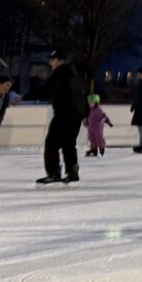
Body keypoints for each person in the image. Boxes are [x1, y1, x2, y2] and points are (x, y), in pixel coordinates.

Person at [36, 52, 87, 185]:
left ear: (60, 61)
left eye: (52, 60)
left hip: (64, 114)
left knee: (51, 143)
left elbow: (47, 90)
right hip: (76, 114)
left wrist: (25, 97)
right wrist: (85, 113)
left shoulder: (60, 72)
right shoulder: (75, 73)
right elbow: (82, 93)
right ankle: (72, 172)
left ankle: (53, 173)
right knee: (68, 143)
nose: (50, 63)